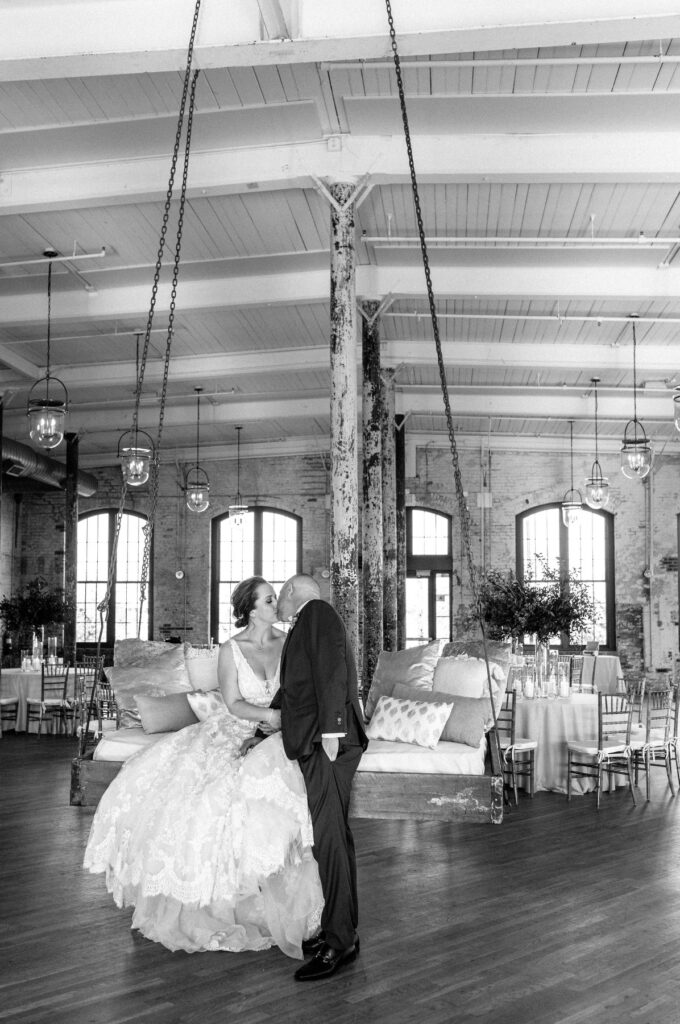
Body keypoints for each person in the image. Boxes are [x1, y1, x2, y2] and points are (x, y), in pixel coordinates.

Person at [83, 576, 324, 957]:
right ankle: (219, 903)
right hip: (240, 726)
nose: (274, 605)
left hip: (277, 731)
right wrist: (269, 716)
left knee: (272, 789)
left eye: (275, 598)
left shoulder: (289, 642)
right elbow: (232, 702)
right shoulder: (232, 650)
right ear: (249, 609)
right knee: (207, 794)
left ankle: (282, 901)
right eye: (266, 600)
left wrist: (278, 723)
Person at [276, 574, 368, 982]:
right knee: (335, 838)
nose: (278, 605)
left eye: (279, 596)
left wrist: (331, 731)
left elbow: (332, 669)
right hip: (319, 738)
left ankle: (338, 944)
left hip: (327, 743)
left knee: (328, 841)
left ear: (293, 591)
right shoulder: (307, 622)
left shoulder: (316, 612)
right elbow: (302, 684)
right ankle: (343, 928)